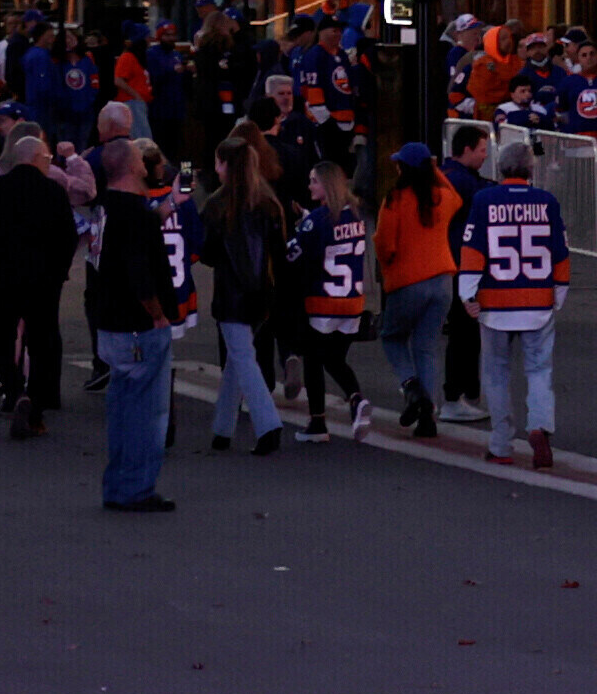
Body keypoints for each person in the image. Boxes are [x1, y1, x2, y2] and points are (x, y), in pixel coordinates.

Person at [455, 123, 571, 468]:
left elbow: (472, 252)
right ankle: (539, 425)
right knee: (539, 371)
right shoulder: (547, 202)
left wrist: (467, 294)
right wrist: (559, 293)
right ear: (530, 169)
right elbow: (560, 253)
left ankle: (501, 443)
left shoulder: (484, 199)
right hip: (536, 299)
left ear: (501, 168)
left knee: (496, 373)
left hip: (496, 301)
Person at [86, 142, 191, 515]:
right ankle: (137, 488)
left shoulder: (106, 209)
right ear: (132, 166)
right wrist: (158, 314)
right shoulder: (135, 215)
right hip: (139, 327)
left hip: (110, 323)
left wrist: (169, 205)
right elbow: (138, 271)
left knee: (121, 409)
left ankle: (118, 484)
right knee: (148, 414)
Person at [0, 124, 71, 438]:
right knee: (42, 343)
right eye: (47, 157)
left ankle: (14, 391)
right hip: (42, 283)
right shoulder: (53, 192)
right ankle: (36, 404)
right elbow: (67, 237)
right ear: (37, 158)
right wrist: (58, 274)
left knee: (1, 340)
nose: (49, 162)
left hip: (1, 281)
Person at [193, 138, 291, 456]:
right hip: (264, 292)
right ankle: (222, 429)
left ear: (225, 165)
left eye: (218, 162)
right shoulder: (269, 202)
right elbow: (279, 250)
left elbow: (206, 253)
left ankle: (268, 425)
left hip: (231, 294)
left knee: (243, 360)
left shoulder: (217, 205)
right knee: (239, 360)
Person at [368, 139, 462, 438]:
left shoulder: (395, 199)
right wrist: (435, 170)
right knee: (426, 347)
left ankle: (411, 388)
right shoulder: (441, 197)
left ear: (403, 168)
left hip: (408, 281)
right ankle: (428, 416)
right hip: (443, 280)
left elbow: (384, 243)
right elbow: (457, 197)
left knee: (393, 336)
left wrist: (387, 266)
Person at [288, 156, 371, 440]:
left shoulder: (317, 221)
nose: (309, 185)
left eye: (314, 181)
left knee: (313, 359)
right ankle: (356, 398)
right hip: (352, 301)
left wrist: (299, 227)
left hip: (322, 302)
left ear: (326, 184)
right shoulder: (356, 215)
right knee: (334, 359)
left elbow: (293, 254)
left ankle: (317, 423)